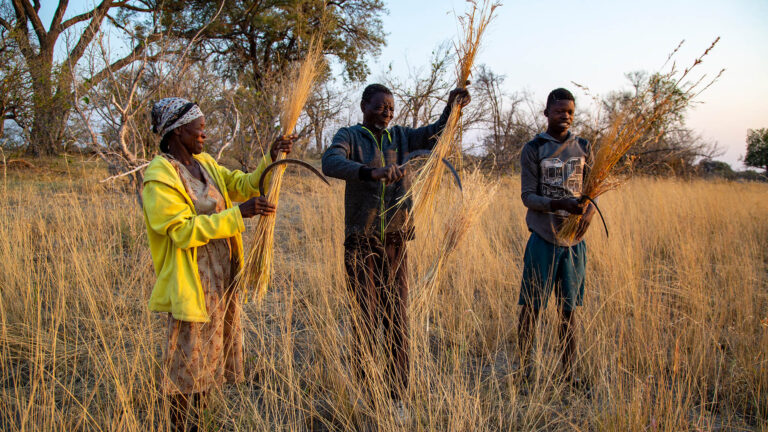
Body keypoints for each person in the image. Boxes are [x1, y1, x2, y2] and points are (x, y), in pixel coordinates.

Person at [142, 97, 294, 431]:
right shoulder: (159, 175)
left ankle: (202, 422)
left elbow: (240, 185)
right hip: (192, 285)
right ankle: (182, 426)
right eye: (200, 129)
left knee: (209, 361)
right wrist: (237, 215)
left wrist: (269, 160)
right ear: (179, 131)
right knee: (187, 368)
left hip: (222, 279)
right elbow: (181, 232)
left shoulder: (206, 163)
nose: (204, 135)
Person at [321, 83, 470, 420]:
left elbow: (436, 134)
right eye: (380, 106)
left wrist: (453, 107)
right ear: (363, 105)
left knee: (397, 319)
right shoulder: (350, 135)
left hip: (396, 241)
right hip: (362, 240)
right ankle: (365, 392)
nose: (386, 112)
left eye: (390, 107)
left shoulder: (401, 137)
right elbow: (331, 162)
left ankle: (397, 394)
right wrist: (372, 172)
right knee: (366, 318)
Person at [517, 88, 596, 388]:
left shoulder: (585, 147)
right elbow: (528, 196)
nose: (565, 116)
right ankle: (525, 372)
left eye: (570, 112)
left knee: (568, 313)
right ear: (546, 112)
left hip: (574, 243)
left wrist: (586, 214)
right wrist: (559, 204)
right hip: (543, 238)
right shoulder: (534, 148)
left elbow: (593, 190)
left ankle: (569, 374)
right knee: (532, 309)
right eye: (559, 110)